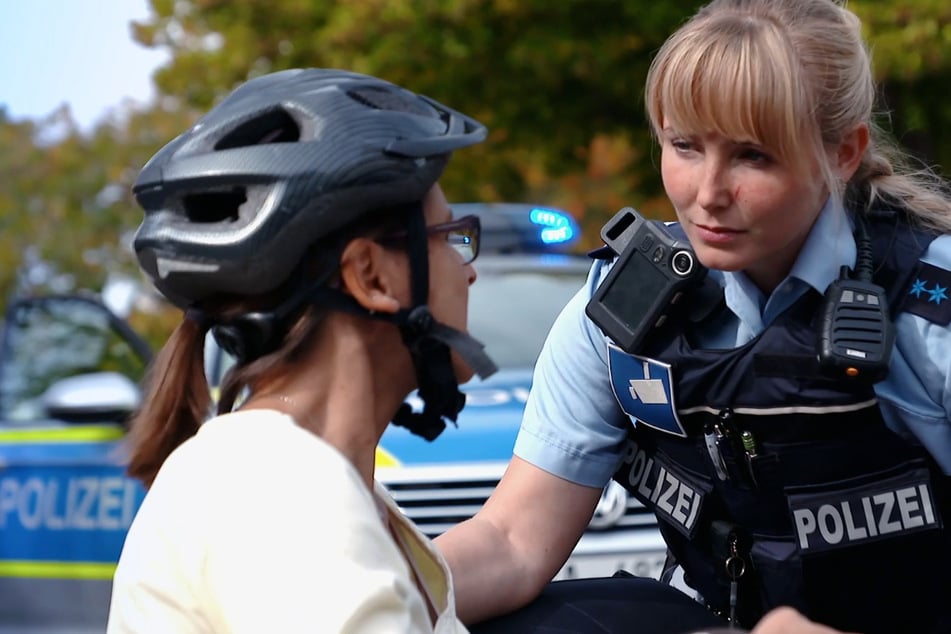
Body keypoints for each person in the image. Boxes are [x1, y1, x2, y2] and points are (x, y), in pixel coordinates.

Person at [434, 1, 951, 633]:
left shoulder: (932, 309)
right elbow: (512, 541)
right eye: (684, 145)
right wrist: (375, 593)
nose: (707, 193)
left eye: (752, 156)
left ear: (843, 153)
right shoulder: (620, 306)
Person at [107, 67, 499, 633]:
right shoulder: (286, 502)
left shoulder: (292, 478)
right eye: (449, 237)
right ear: (371, 276)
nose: (468, 272)